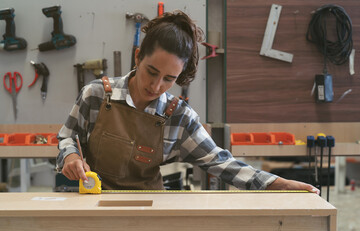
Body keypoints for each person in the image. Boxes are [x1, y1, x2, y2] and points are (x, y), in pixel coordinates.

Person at [56, 10, 319, 194]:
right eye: (151, 71)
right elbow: (67, 136)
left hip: (149, 213)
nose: (156, 86)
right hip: (92, 203)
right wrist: (70, 155)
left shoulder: (179, 117)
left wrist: (277, 183)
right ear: (138, 57)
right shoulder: (96, 94)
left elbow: (221, 163)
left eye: (169, 78)